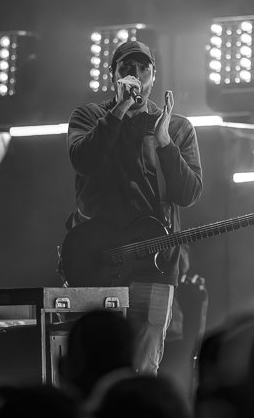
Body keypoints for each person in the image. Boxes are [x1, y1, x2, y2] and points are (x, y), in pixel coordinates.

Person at [66, 40, 203, 375]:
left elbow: (189, 193)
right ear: (112, 75)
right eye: (126, 68)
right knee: (98, 360)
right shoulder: (89, 116)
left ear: (153, 77)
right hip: (98, 258)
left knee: (143, 362)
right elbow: (83, 160)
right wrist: (120, 110)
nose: (135, 75)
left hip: (154, 263)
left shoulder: (176, 126)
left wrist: (165, 142)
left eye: (143, 69)